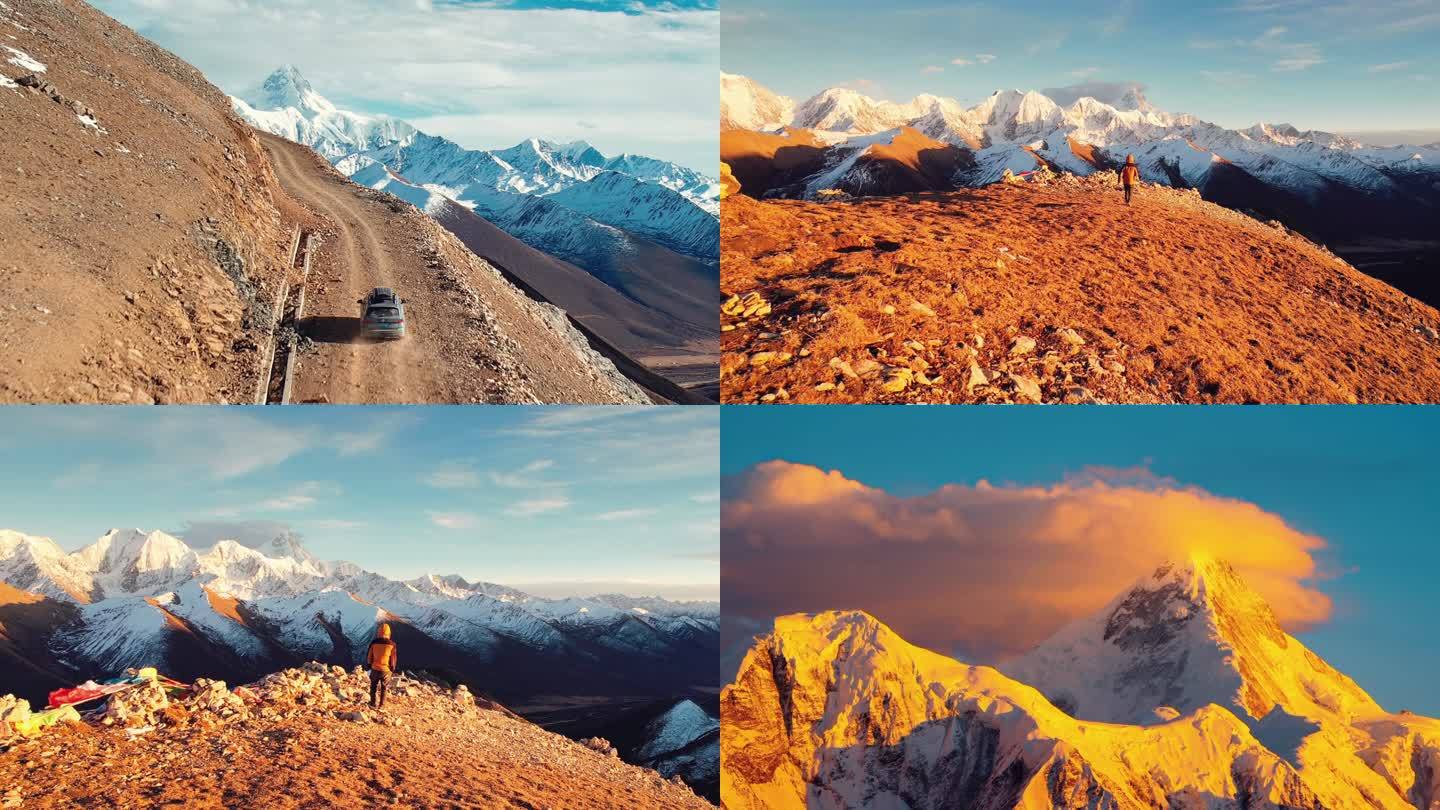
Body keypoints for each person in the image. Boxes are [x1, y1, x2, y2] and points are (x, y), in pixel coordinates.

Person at [366, 623, 398, 709]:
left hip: (375, 668)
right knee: (384, 688)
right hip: (386, 670)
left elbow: (369, 656)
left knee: (373, 686)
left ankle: (372, 703)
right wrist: (392, 668)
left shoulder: (374, 643)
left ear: (378, 632)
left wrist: (369, 666)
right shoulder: (392, 645)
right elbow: (393, 659)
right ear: (389, 633)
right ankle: (382, 705)